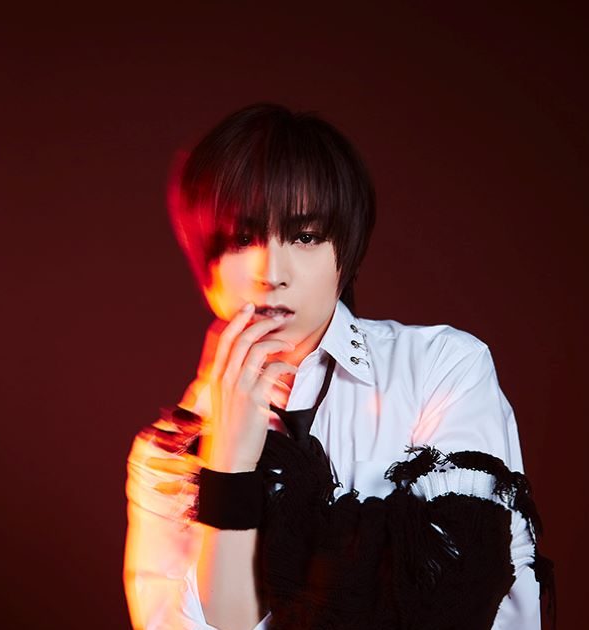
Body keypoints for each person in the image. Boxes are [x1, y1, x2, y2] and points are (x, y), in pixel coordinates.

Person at [124, 103, 553, 630]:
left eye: (304, 236)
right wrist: (227, 469)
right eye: (243, 238)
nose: (271, 272)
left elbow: (461, 599)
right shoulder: (168, 459)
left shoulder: (440, 369)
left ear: (345, 254)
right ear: (206, 269)